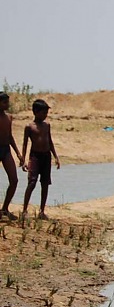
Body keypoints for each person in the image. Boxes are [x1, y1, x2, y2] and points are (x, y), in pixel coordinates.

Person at [21, 99, 60, 220]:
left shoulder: (47, 125)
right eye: (43, 112)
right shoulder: (29, 127)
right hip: (35, 156)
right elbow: (25, 144)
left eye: (46, 113)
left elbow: (50, 141)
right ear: (35, 112)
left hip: (46, 156)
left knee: (45, 183)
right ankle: (24, 210)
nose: (45, 115)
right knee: (32, 182)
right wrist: (23, 160)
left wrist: (56, 156)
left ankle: (42, 211)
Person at [0, 92, 25, 220]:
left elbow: (10, 136)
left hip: (6, 149)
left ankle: (5, 208)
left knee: (14, 180)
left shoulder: (9, 117)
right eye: (4, 102)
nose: (7, 104)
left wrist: (18, 153)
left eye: (7, 102)